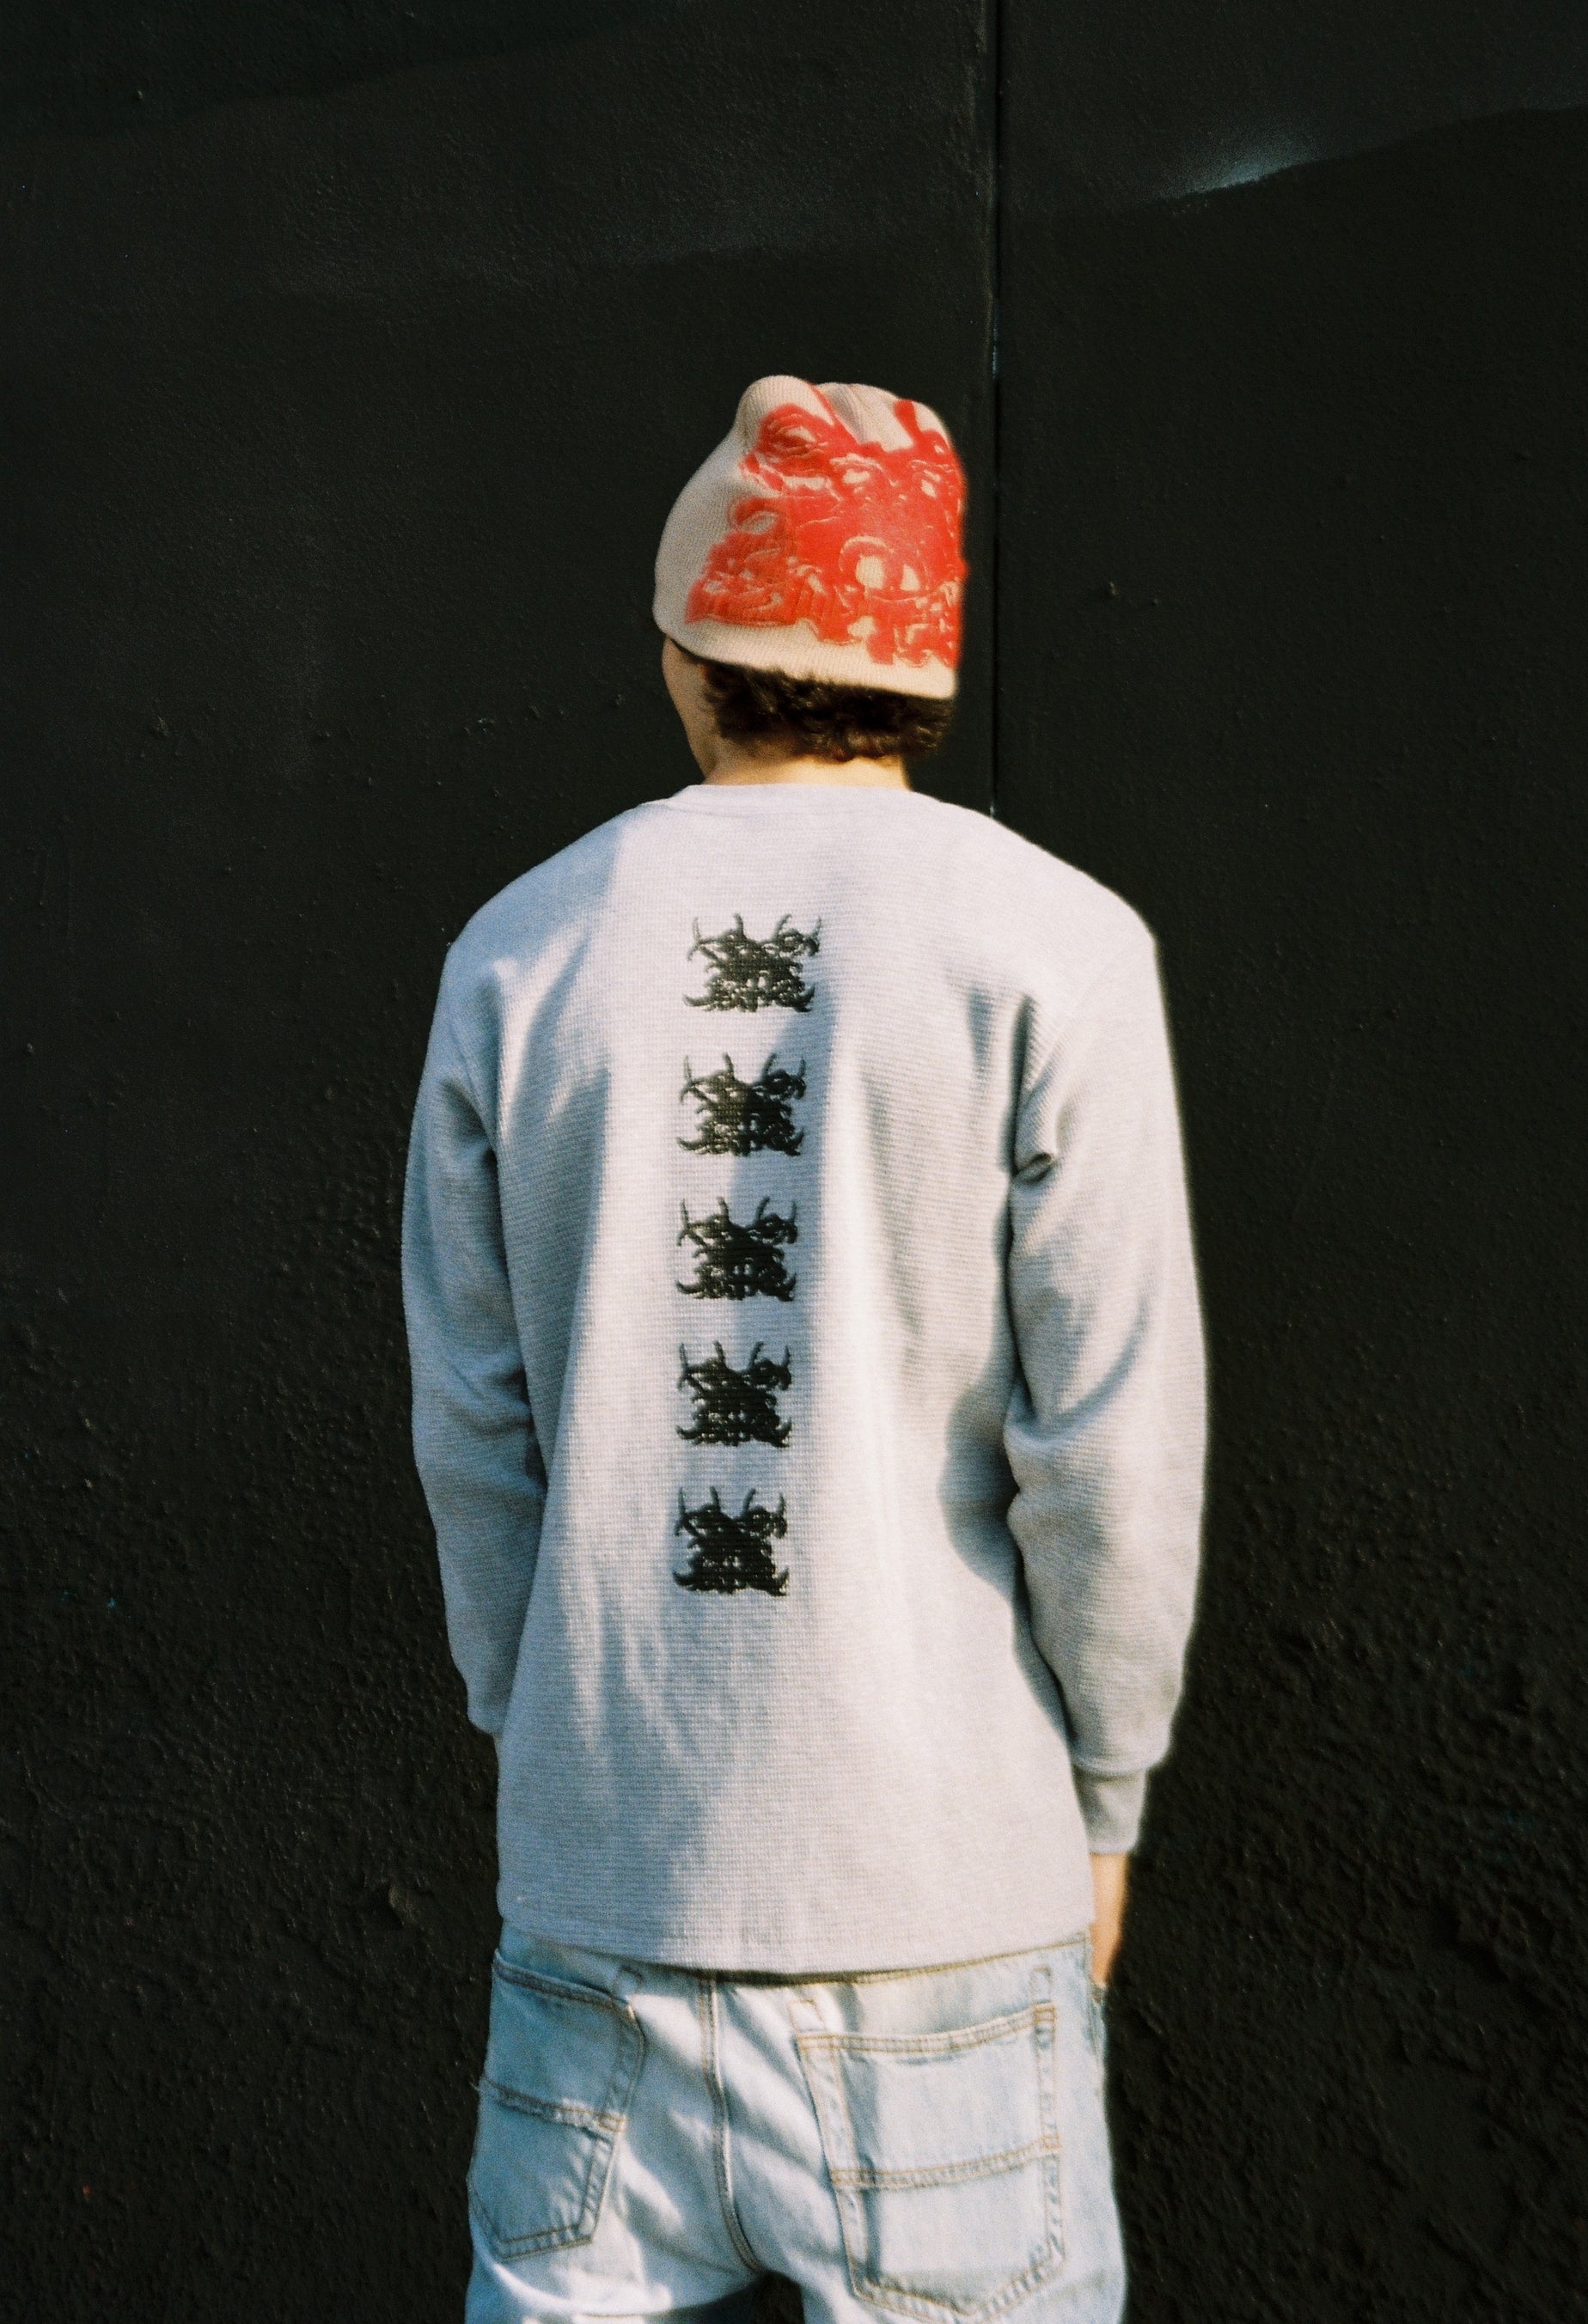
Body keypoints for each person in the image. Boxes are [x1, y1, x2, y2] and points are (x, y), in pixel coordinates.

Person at [402, 375, 1207, 2322]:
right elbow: (1108, 1440)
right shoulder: (1055, 943)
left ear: (690, 646)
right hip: (944, 1899)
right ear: (918, 671)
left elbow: (474, 1423)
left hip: (605, 1909)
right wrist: (1105, 1805)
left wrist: (559, 1743)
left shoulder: (522, 950)